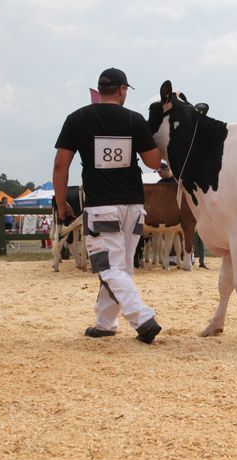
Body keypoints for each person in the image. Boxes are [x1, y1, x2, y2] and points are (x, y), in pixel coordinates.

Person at [53, 67, 163, 344]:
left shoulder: (77, 119)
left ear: (100, 90)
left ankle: (142, 317)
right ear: (122, 90)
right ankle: (105, 323)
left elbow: (60, 164)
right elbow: (152, 162)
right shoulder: (134, 120)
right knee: (120, 268)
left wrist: (60, 201)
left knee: (109, 267)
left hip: (101, 205)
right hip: (134, 206)